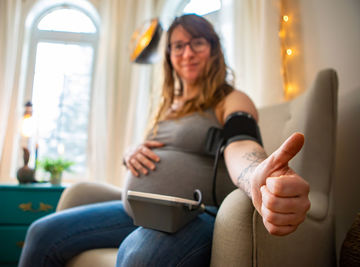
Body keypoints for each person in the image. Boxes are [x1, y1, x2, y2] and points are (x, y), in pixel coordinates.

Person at [18, 14, 310, 267]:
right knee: (41, 233)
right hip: (138, 211)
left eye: (197, 43)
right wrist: (130, 152)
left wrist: (255, 174)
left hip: (193, 215)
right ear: (169, 55)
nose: (187, 53)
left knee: (139, 255)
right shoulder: (168, 105)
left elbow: (241, 143)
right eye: (178, 46)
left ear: (213, 49)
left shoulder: (230, 99)